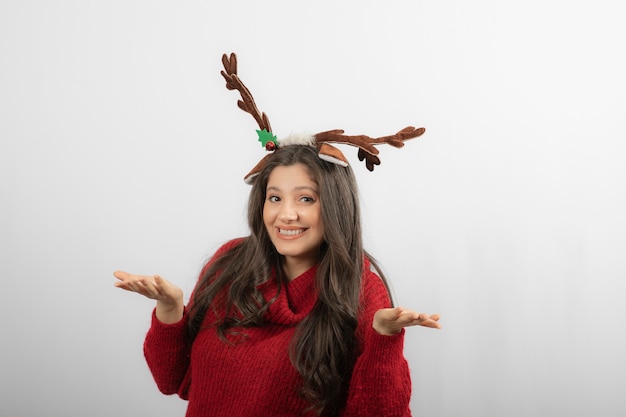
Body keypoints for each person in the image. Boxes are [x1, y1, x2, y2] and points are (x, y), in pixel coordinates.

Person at [114, 53, 440, 417]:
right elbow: (172, 379)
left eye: (306, 198)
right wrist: (171, 309)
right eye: (275, 197)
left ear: (335, 205)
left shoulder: (360, 289)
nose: (286, 214)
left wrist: (383, 339)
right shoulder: (229, 264)